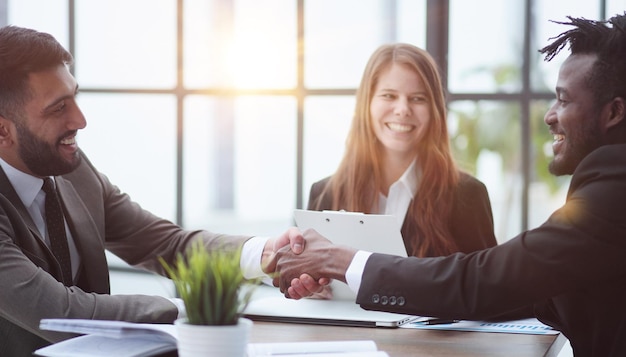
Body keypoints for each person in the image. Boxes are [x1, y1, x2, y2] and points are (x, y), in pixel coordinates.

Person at [274, 13, 626, 357]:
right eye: (388, 96)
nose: (549, 115)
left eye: (563, 99)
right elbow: (525, 288)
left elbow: (488, 282)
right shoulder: (325, 189)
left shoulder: (612, 189)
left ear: (614, 113)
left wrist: (343, 261)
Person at [0, 25, 304, 356]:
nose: (81, 119)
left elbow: (165, 244)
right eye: (59, 107)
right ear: (3, 130)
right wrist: (199, 310)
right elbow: (60, 313)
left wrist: (268, 254)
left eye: (75, 96)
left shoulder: (72, 170)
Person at [308, 43, 496, 258]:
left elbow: (485, 287)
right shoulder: (325, 195)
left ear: (434, 109)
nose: (403, 110)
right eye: (389, 96)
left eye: (418, 99)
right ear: (366, 104)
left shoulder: (467, 196)